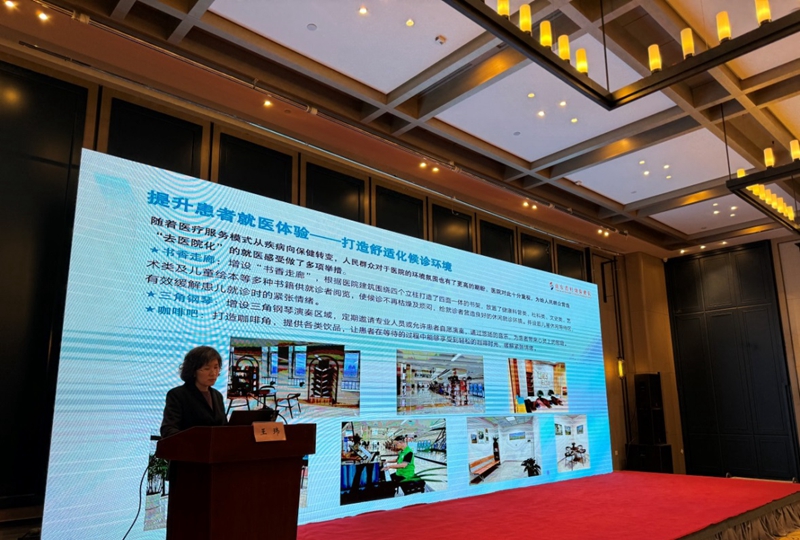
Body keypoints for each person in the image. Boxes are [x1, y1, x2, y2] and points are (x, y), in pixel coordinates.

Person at [160, 346, 227, 438]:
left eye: (216, 367)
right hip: (188, 446)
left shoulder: (217, 396)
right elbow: (168, 429)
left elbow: (223, 427)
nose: (213, 373)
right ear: (193, 371)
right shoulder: (177, 395)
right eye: (207, 368)